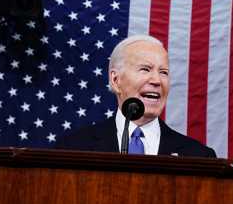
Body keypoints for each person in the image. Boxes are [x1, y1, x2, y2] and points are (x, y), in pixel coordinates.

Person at [56, 34, 216, 158]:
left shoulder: (199, 156)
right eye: (145, 69)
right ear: (115, 80)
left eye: (164, 72)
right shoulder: (73, 148)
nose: (157, 80)